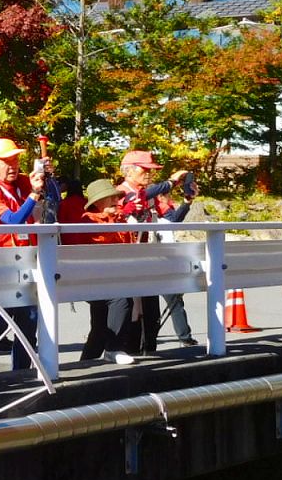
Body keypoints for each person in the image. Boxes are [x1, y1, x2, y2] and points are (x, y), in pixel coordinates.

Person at [0, 138, 47, 372]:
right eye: (6, 161)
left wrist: (47, 176)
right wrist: (34, 195)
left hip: (25, 263)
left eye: (15, 159)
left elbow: (53, 198)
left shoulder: (22, 182)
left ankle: (22, 376)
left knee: (27, 327)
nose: (13, 165)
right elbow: (13, 221)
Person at [115, 150, 198, 353]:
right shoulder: (121, 192)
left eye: (151, 171)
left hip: (149, 261)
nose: (149, 174)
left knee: (151, 316)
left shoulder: (149, 195)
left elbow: (172, 221)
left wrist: (187, 202)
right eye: (145, 170)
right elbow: (137, 198)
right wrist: (170, 182)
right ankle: (130, 357)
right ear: (130, 171)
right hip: (127, 263)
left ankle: (149, 354)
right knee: (131, 316)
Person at [61, 179, 136, 364]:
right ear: (97, 202)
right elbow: (90, 244)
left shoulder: (120, 219)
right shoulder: (87, 219)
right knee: (121, 300)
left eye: (115, 197)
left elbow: (129, 246)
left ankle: (86, 362)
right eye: (108, 197)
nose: (114, 201)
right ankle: (114, 349)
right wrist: (112, 219)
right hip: (92, 276)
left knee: (100, 326)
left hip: (112, 275)